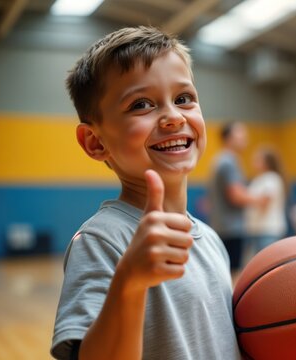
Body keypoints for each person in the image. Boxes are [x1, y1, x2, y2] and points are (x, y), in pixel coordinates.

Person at [50, 26, 241, 360]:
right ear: (95, 142)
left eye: (184, 99)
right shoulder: (102, 241)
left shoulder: (211, 240)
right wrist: (130, 283)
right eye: (141, 104)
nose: (172, 116)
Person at [209, 122, 266, 271]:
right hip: (231, 228)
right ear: (228, 138)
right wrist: (260, 200)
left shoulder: (219, 160)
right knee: (233, 273)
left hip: (222, 225)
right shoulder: (229, 161)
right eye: (240, 134)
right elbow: (236, 196)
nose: (245, 138)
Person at [245, 146, 288, 254]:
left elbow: (265, 201)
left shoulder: (271, 178)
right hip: (256, 229)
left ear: (267, 162)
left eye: (258, 159)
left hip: (269, 229)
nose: (254, 162)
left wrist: (242, 197)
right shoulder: (258, 179)